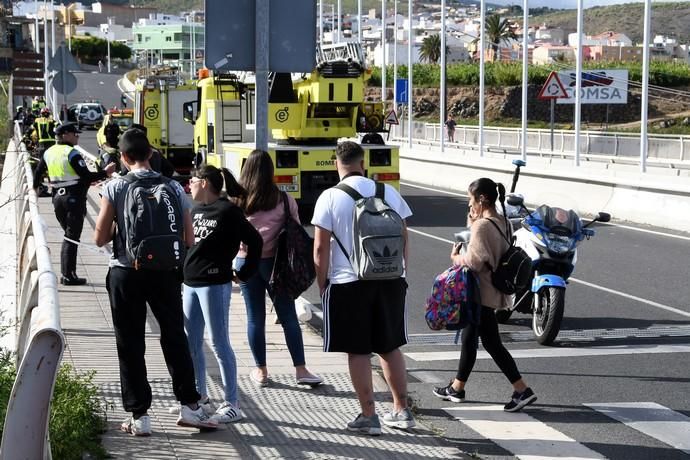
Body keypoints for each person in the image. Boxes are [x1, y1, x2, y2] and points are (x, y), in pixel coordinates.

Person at [93, 128, 218, 436]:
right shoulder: (174, 188)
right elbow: (189, 237)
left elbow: (99, 238)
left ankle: (139, 416)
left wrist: (120, 232)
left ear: (122, 157)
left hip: (125, 272)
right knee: (175, 335)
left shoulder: (115, 187)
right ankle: (190, 406)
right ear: (150, 154)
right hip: (165, 271)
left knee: (130, 342)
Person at [312, 141, 415, 435]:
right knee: (389, 346)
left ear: (336, 163)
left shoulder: (330, 197)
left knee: (357, 351)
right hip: (391, 280)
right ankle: (402, 410)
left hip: (348, 283)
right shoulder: (389, 193)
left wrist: (323, 284)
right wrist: (402, 274)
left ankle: (369, 416)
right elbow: (405, 238)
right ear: (363, 162)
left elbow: (320, 249)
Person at [433, 177, 537, 412]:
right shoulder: (503, 221)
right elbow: (478, 244)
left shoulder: (481, 226)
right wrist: (471, 221)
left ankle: (522, 390)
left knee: (490, 343)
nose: (469, 204)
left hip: (480, 291)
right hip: (491, 290)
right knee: (474, 340)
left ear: (482, 199)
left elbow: (473, 261)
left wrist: (455, 258)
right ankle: (457, 388)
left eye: (471, 199)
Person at [235, 149, 322, 388]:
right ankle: (301, 370)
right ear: (271, 172)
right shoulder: (284, 200)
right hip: (276, 264)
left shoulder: (238, 200)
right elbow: (295, 231)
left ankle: (261, 371)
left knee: (255, 318)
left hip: (246, 262)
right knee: (288, 317)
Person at [183, 165, 263, 423]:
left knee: (219, 343)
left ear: (205, 182)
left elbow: (255, 241)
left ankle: (232, 403)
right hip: (190, 283)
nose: (189, 184)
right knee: (192, 343)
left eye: (192, 179)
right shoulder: (194, 209)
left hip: (215, 284)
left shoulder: (228, 211)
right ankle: (200, 397)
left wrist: (246, 272)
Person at [32, 123, 116, 285]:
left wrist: (34, 189)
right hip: (73, 198)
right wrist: (106, 173)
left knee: (69, 236)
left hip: (57, 198)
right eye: (75, 134)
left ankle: (67, 273)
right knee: (71, 237)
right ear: (65, 135)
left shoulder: (49, 152)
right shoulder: (72, 153)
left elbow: (38, 172)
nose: (78, 136)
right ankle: (69, 275)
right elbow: (86, 176)